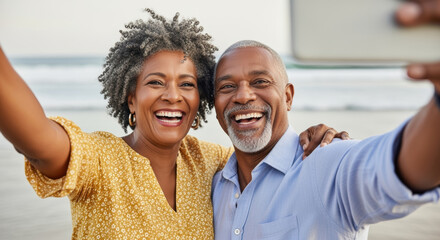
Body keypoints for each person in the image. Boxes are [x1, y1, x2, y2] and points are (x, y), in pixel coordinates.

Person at [0, 9, 348, 239]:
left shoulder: (213, 163)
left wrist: (316, 138)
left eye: (187, 84)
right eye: (155, 82)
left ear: (201, 100)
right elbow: (36, 138)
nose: (172, 96)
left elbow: (266, 151)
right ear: (130, 97)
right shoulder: (100, 161)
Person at [211, 1, 440, 239]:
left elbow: (396, 168)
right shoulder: (214, 186)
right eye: (227, 86)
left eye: (260, 82)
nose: (243, 96)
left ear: (288, 97)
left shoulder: (325, 163)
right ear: (215, 106)